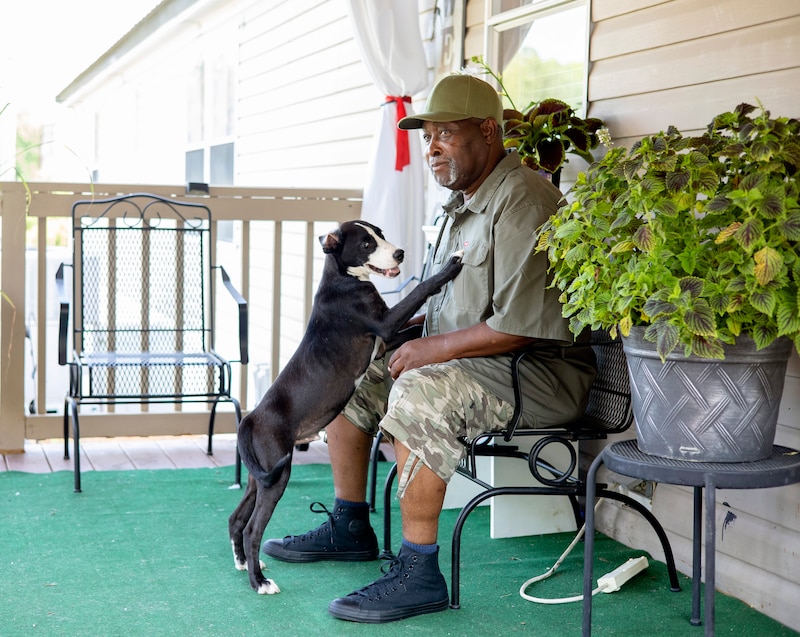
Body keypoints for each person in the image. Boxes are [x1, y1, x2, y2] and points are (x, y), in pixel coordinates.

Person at [261, 73, 597, 623]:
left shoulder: (522, 200)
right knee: (354, 373)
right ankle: (350, 525)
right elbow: (452, 311)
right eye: (427, 137)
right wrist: (390, 336)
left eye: (445, 133)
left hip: (534, 375)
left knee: (419, 389)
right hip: (481, 363)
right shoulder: (462, 205)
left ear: (488, 131)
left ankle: (419, 573)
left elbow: (521, 327)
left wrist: (430, 350)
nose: (432, 147)